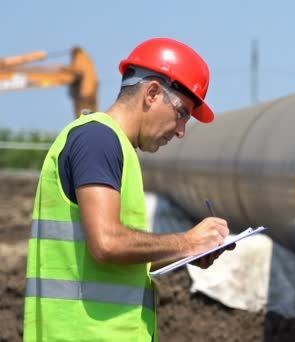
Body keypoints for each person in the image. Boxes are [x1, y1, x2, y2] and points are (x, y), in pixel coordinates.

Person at [23, 38, 233, 341]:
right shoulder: (98, 140)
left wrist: (186, 254)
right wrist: (187, 242)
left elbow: (115, 257)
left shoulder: (114, 146)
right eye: (182, 113)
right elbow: (107, 243)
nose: (181, 130)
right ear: (151, 93)